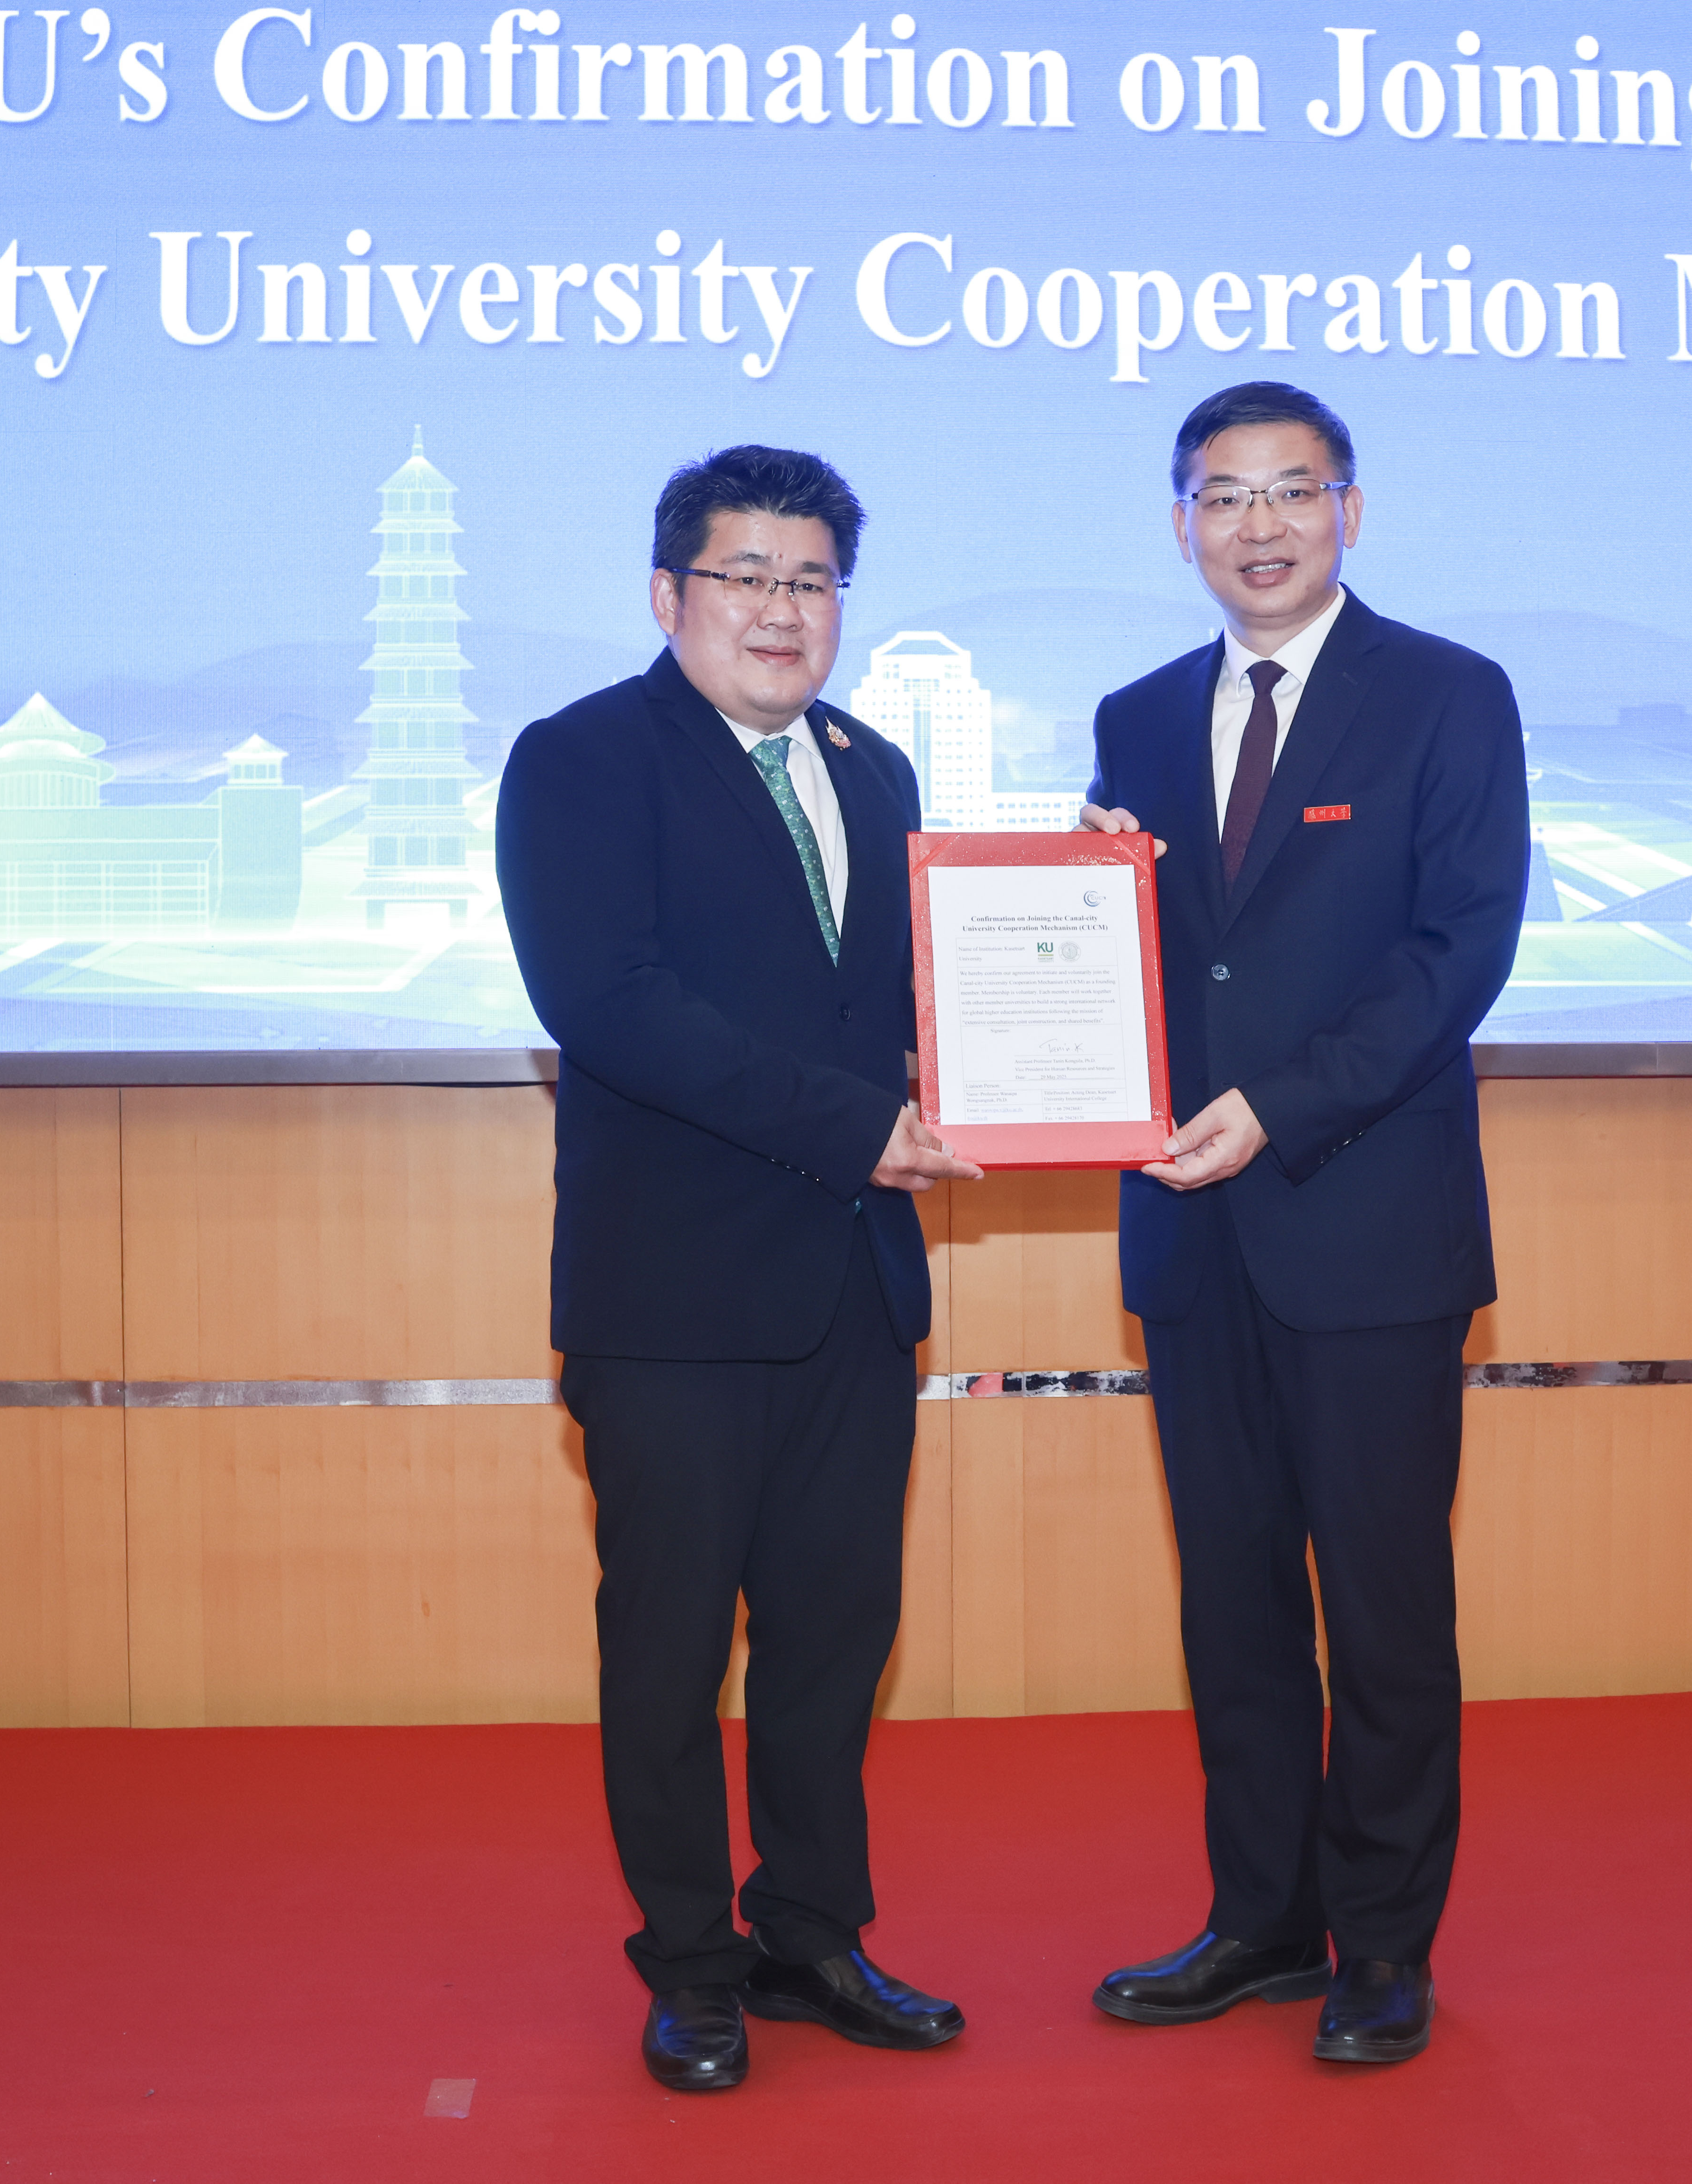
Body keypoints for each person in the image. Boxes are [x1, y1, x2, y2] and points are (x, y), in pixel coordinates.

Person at [495, 444, 980, 2094]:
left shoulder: (876, 768)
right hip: (676, 1302)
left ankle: (812, 1934)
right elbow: (611, 1004)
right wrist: (857, 1127)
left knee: (836, 1634)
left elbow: (917, 1000)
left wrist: (1078, 905)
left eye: (813, 580)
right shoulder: (581, 759)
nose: (783, 609)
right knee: (671, 1646)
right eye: (747, 576)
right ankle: (692, 1965)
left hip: (853, 1287)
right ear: (669, 593)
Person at [1077, 382, 1529, 2064]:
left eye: (1291, 490)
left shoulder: (1448, 695)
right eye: (1223, 496)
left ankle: (1385, 1943)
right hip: (1192, 1239)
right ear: (1180, 523)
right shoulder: (1135, 717)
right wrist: (1080, 898)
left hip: (1368, 1224)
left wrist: (1280, 1103)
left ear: (1351, 508)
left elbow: (1457, 951)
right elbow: (1146, 960)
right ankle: (1262, 1919)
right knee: (1238, 1600)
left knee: (1386, 1607)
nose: (1257, 525)